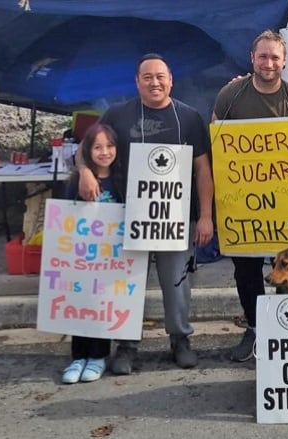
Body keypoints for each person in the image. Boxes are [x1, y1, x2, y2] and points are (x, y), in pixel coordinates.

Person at [76, 53, 214, 374]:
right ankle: (127, 345)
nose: (155, 82)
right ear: (137, 82)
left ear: (171, 80)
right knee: (127, 284)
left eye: (160, 76)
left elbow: (203, 170)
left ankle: (180, 339)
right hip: (128, 219)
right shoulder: (118, 115)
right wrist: (84, 172)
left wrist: (206, 215)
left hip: (176, 219)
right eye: (148, 77)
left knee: (177, 283)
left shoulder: (190, 118)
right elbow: (87, 150)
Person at [212, 30, 288, 362]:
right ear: (252, 58)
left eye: (275, 57)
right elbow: (218, 145)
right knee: (246, 273)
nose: (269, 63)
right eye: (263, 56)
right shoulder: (230, 95)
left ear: (284, 60)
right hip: (244, 208)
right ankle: (254, 329)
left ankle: (286, 330)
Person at [61, 123, 121, 383]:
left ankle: (98, 356)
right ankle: (78, 357)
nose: (104, 152)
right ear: (88, 150)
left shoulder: (121, 181)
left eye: (109, 146)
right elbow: (64, 217)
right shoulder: (77, 180)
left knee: (101, 307)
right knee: (80, 306)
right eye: (97, 147)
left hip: (110, 260)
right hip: (81, 257)